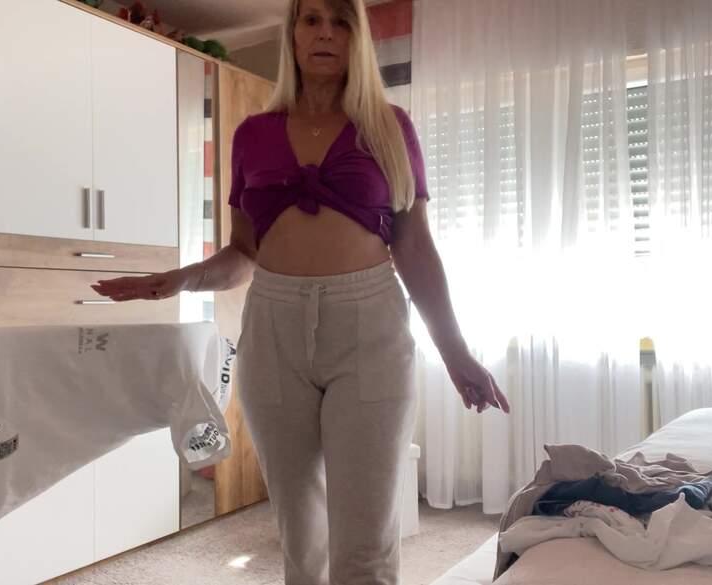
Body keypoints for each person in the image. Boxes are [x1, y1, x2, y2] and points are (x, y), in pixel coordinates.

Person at [91, 0, 510, 582]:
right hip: (274, 328)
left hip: (369, 326)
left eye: (341, 22)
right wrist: (178, 280)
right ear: (292, 34)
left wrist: (455, 351)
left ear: (358, 38)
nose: (325, 34)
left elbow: (415, 248)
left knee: (365, 539)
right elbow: (244, 253)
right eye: (312, 20)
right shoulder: (253, 135)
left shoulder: (390, 127)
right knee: (299, 534)